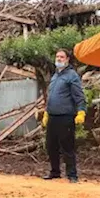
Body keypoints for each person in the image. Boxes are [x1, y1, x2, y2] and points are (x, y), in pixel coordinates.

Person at [42, 48, 86, 183]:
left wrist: (81, 111)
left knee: (67, 147)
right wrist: (46, 112)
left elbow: (79, 96)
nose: (59, 59)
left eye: (62, 57)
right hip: (53, 116)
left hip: (66, 116)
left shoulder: (72, 76)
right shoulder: (55, 76)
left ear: (67, 59)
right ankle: (55, 172)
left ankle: (72, 175)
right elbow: (50, 97)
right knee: (51, 146)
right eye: (57, 57)